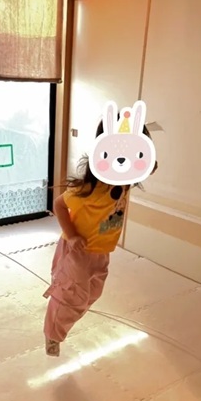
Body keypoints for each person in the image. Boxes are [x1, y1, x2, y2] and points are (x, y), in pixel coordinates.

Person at [43, 119, 158, 356]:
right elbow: (59, 205)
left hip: (102, 251)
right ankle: (52, 334)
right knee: (70, 295)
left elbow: (149, 166)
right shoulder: (89, 189)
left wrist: (146, 158)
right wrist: (72, 236)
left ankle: (62, 320)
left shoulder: (125, 182)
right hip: (76, 250)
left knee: (93, 293)